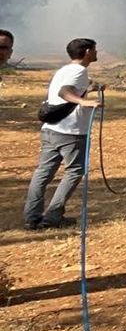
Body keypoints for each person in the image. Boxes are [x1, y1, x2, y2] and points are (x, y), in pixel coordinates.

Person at [23, 38, 100, 230]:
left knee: (43, 172)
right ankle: (53, 216)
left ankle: (32, 217)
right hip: (71, 131)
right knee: (75, 171)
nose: (97, 52)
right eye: (95, 49)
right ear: (88, 51)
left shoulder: (64, 70)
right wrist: (84, 102)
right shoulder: (79, 70)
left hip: (51, 129)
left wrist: (89, 90)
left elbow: (67, 90)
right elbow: (64, 92)